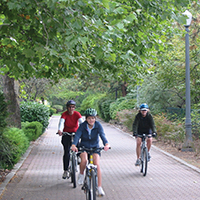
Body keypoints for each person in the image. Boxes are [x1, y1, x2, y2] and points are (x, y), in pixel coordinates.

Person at [71, 108, 110, 196]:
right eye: (89, 118)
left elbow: (102, 135)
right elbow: (77, 136)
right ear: (86, 118)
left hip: (95, 147)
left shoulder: (98, 125)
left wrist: (106, 144)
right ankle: (81, 175)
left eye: (93, 118)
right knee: (84, 160)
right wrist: (74, 145)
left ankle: (99, 187)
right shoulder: (82, 126)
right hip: (84, 147)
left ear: (95, 118)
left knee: (97, 164)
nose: (91, 120)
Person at [57, 100, 83, 179]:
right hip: (66, 134)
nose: (71, 109)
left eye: (73, 107)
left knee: (78, 146)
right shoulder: (64, 114)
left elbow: (81, 122)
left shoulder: (77, 114)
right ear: (67, 108)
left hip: (75, 133)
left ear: (74, 108)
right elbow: (62, 122)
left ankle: (78, 157)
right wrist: (60, 130)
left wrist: (84, 130)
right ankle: (65, 171)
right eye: (69, 107)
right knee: (67, 152)